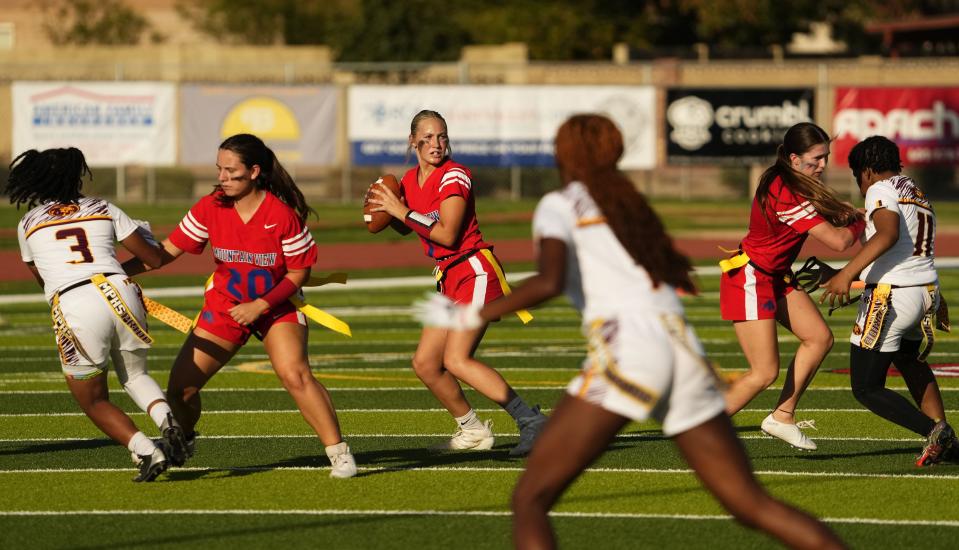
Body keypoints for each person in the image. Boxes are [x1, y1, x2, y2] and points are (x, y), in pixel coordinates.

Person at [415, 114, 845, 549]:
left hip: (627, 353)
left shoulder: (559, 204)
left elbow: (548, 281)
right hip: (679, 350)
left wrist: (472, 316)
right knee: (750, 504)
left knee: (530, 498)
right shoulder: (628, 200)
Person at [122, 134, 356, 478]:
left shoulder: (282, 215)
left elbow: (298, 274)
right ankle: (182, 442)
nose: (223, 178)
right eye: (219, 169)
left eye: (231, 171)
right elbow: (163, 253)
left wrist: (260, 305)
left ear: (255, 172)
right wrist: (113, 274)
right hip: (226, 305)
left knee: (295, 374)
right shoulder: (211, 206)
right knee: (180, 391)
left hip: (278, 304)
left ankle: (339, 453)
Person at [367, 109, 548, 456]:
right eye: (429, 137)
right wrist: (386, 211)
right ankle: (473, 429)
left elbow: (448, 234)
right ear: (412, 142)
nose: (437, 143)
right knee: (425, 363)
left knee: (457, 359)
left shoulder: (455, 176)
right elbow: (411, 224)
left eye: (443, 136)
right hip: (449, 277)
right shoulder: (409, 180)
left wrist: (400, 210)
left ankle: (531, 421)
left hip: (474, 269)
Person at [9, 147, 185, 482]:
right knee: (134, 376)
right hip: (119, 290)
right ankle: (167, 420)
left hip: (74, 302)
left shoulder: (28, 223)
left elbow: (44, 279)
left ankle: (147, 450)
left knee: (92, 399)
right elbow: (156, 258)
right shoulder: (104, 206)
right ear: (77, 175)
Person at [719, 122, 865, 451]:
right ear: (795, 159)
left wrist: (852, 214)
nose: (824, 165)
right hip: (752, 278)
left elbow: (833, 215)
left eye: (825, 157)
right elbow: (839, 242)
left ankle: (782, 416)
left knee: (819, 338)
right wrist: (861, 220)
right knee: (763, 372)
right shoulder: (785, 191)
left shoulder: (792, 180)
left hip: (776, 276)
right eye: (817, 159)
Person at [821, 135, 956, 466]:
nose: (859, 183)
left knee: (866, 387)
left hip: (894, 296)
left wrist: (844, 274)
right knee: (911, 363)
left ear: (867, 170)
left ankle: (936, 433)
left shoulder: (881, 189)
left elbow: (887, 235)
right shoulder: (913, 189)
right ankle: (947, 441)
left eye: (857, 175)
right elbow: (898, 249)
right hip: (926, 292)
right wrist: (854, 275)